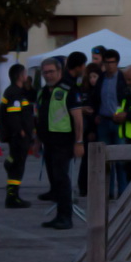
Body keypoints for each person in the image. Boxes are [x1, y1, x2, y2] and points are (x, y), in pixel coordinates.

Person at [35, 58, 85, 229]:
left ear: (59, 71)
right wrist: (37, 141)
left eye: (51, 71)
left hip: (63, 141)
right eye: (45, 72)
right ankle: (59, 216)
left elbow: (78, 119)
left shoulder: (68, 90)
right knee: (55, 180)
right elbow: (40, 118)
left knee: (62, 179)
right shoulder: (43, 92)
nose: (48, 75)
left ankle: (65, 217)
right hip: (48, 142)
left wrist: (79, 142)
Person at [89, 48, 128, 197]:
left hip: (118, 122)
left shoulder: (123, 78)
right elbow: (95, 99)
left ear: (117, 63)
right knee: (105, 160)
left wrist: (125, 114)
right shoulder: (101, 79)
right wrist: (95, 116)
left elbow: (128, 98)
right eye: (107, 62)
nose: (109, 65)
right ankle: (108, 192)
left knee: (120, 159)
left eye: (112, 62)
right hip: (104, 121)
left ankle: (123, 192)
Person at [0, 64, 36, 209]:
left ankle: (13, 194)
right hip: (19, 137)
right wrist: (21, 131)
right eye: (24, 73)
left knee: (16, 163)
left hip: (18, 136)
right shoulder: (15, 93)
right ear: (19, 76)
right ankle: (12, 197)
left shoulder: (16, 91)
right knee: (17, 166)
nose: (26, 76)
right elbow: (13, 114)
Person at [76, 62, 103, 198]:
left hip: (97, 128)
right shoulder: (84, 91)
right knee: (86, 159)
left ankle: (93, 185)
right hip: (87, 129)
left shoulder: (100, 90)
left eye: (95, 77)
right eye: (91, 77)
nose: (93, 80)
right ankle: (83, 186)